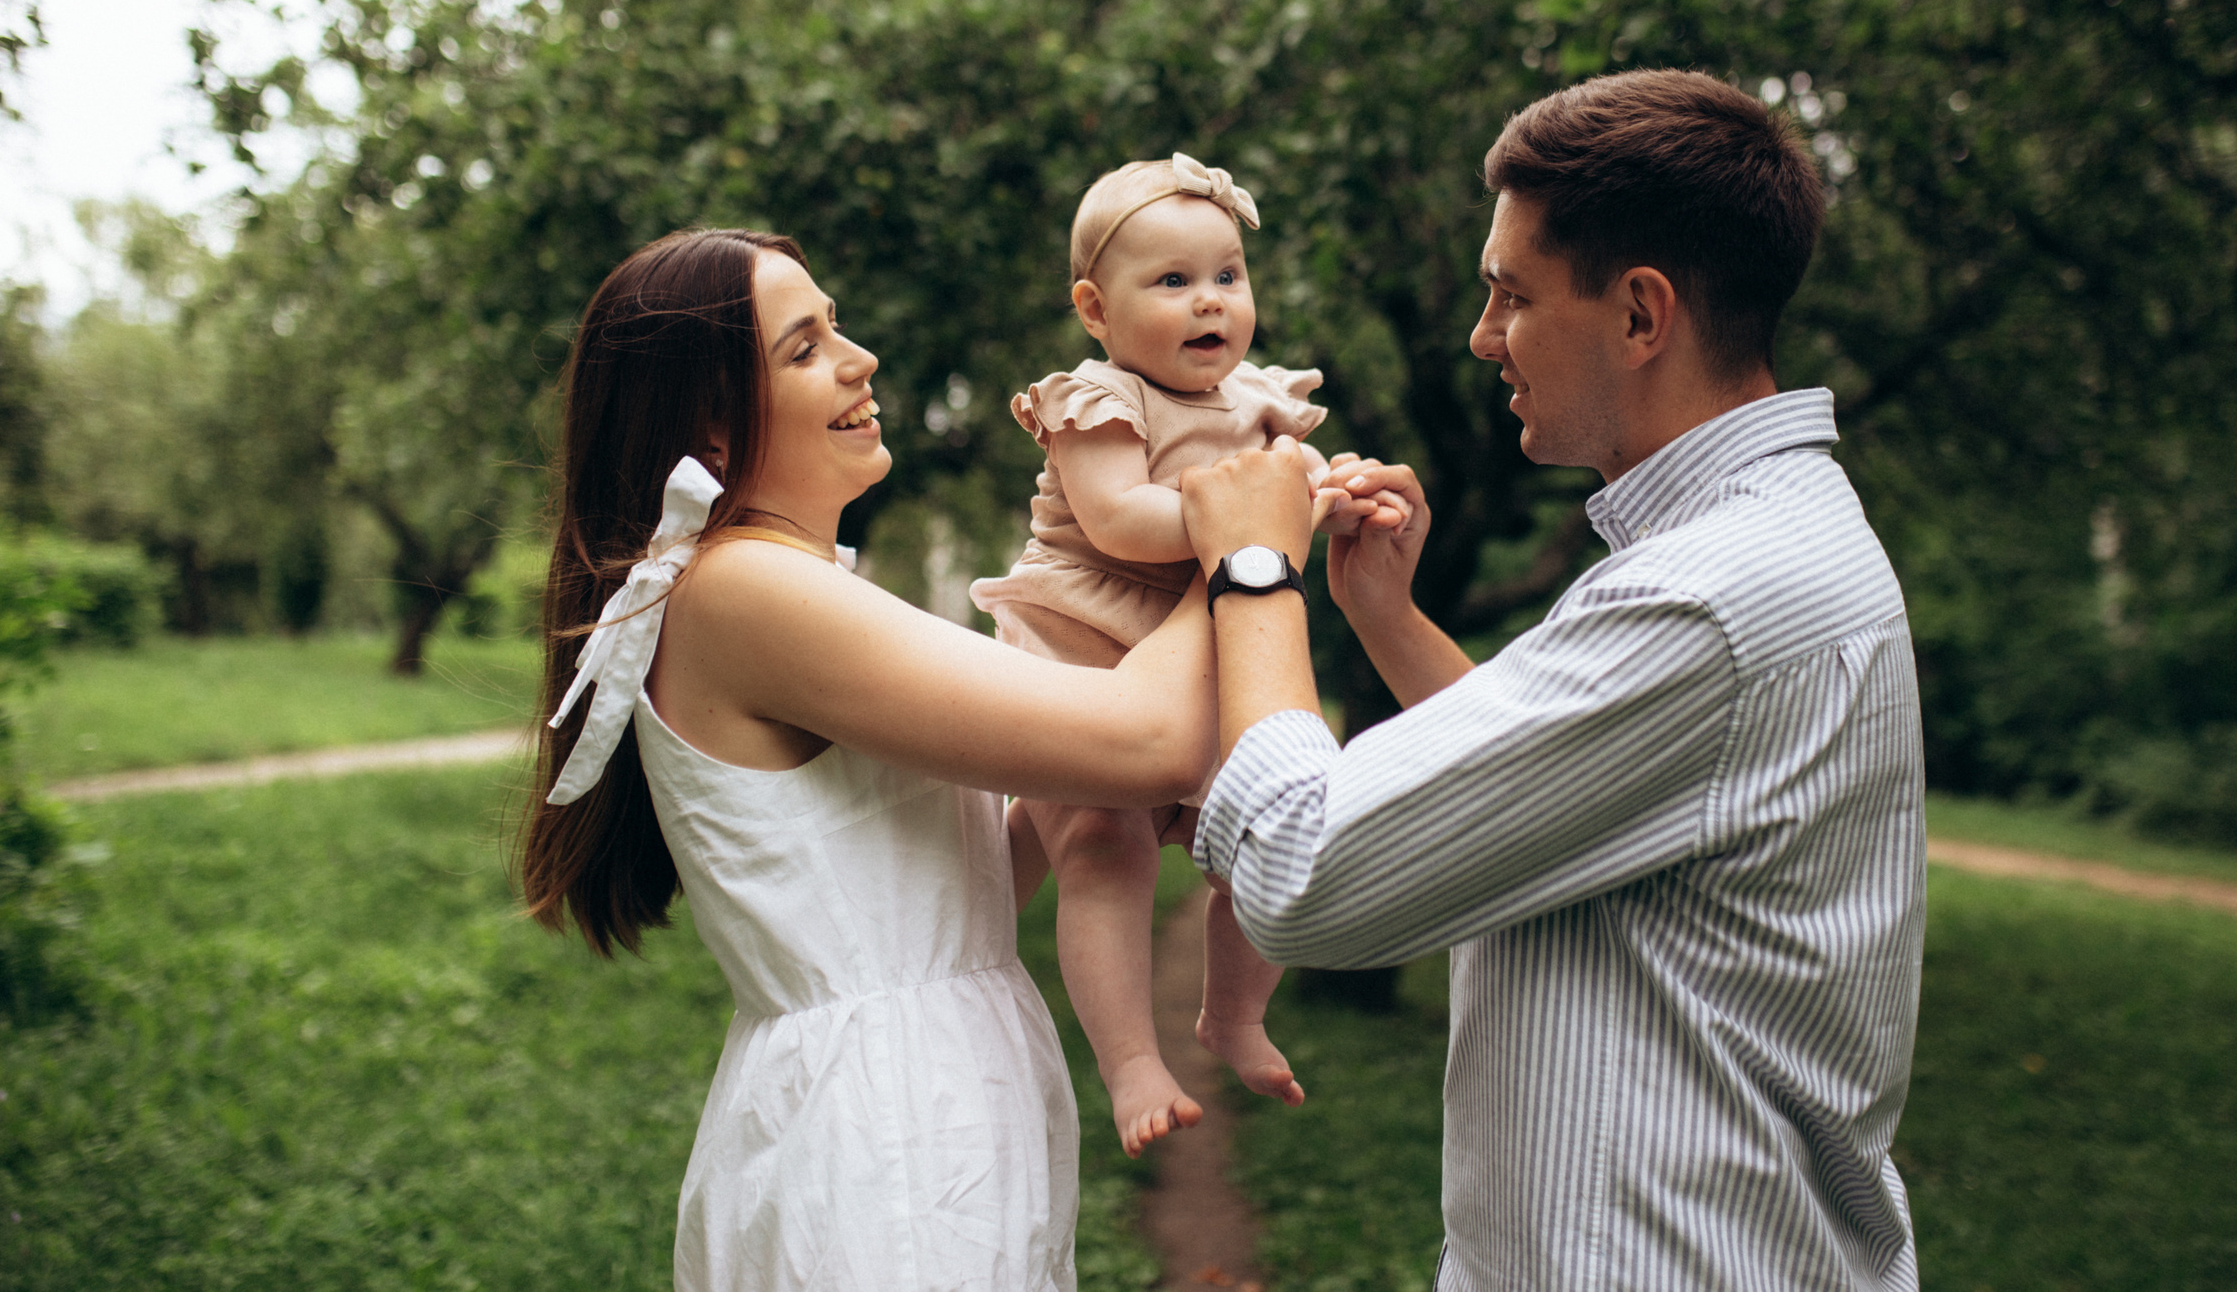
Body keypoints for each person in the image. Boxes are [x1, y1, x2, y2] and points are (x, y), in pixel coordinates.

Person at [1179, 69, 1928, 1290]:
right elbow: (1566, 793)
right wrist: (1383, 614)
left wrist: (1253, 568)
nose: (1481, 337)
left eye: (1510, 295)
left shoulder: (1709, 594)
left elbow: (1304, 876)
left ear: (1640, 317)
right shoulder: (1769, 540)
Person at [513, 228, 1237, 1292]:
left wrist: (1064, 796)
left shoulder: (768, 586)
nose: (860, 360)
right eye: (804, 349)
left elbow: (943, 881)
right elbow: (1150, 738)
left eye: (836, 326)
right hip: (888, 1138)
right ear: (711, 426)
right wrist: (1246, 545)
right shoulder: (743, 589)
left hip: (923, 1104)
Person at [971, 153, 1343, 1155]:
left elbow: (1289, 485)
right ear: (1096, 309)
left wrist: (1330, 495)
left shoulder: (1257, 396)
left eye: (1227, 276)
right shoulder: (1097, 401)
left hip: (1198, 650)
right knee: (1104, 845)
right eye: (1171, 283)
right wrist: (1246, 513)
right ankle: (1131, 1059)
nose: (1208, 303)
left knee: (1271, 833)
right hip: (1085, 646)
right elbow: (1125, 522)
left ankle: (1231, 1015)